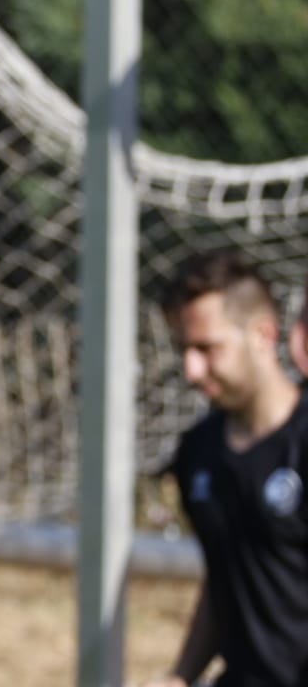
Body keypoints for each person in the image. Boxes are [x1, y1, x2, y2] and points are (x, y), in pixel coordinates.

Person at [147, 250, 308, 687]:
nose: (191, 369)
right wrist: (180, 675)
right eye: (183, 349)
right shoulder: (198, 452)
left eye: (206, 348)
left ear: (262, 335)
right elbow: (226, 580)